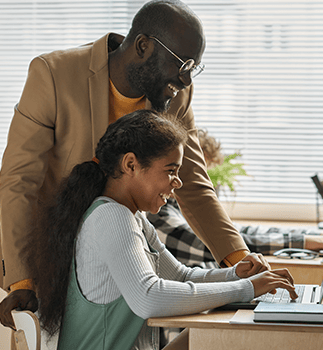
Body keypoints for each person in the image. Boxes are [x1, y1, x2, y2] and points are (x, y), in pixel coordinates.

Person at [0, 0, 269, 325]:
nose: (185, 81)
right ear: (143, 46)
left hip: (123, 249)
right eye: (183, 65)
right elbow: (18, 180)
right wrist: (23, 280)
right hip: (58, 253)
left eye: (192, 70)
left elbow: (194, 183)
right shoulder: (54, 74)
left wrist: (242, 261)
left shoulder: (175, 96)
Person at [20, 110, 297, 350]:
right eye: (171, 170)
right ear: (131, 165)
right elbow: (148, 297)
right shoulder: (111, 217)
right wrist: (245, 289)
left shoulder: (133, 217)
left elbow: (180, 275)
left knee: (215, 337)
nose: (177, 182)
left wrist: (234, 274)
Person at [147, 129, 323, 269]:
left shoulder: (176, 207)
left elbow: (237, 232)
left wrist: (309, 235)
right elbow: (219, 243)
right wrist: (303, 242)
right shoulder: (158, 216)